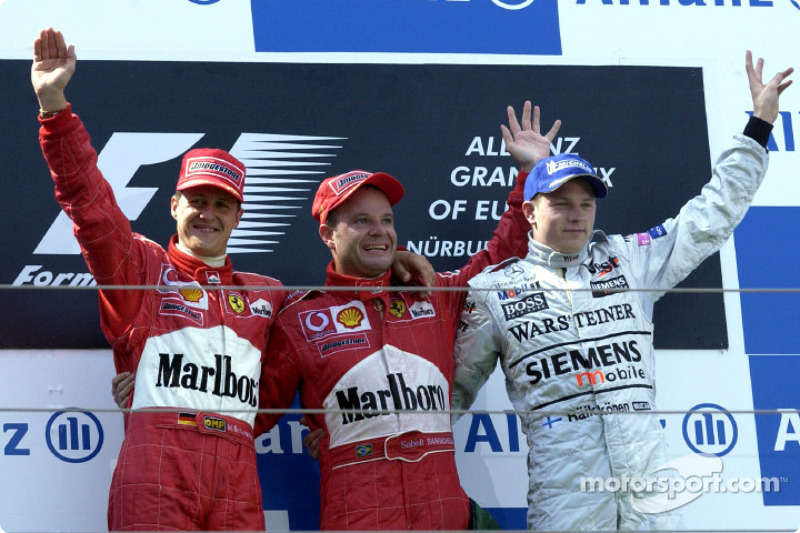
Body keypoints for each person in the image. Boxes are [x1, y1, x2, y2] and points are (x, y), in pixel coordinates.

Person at [33, 27, 432, 531]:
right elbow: (89, 206)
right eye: (196, 200)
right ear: (174, 204)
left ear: (238, 216)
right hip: (157, 464)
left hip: (238, 471)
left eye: (221, 204)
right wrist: (55, 111)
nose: (207, 214)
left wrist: (397, 261)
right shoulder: (140, 268)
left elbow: (318, 351)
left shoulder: (268, 294)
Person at [451, 51, 793, 531]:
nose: (576, 215)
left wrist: (759, 125)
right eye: (561, 204)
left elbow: (708, 217)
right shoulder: (494, 291)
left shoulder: (628, 260)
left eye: (586, 204)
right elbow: (446, 394)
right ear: (530, 212)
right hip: (565, 500)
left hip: (650, 495)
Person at [255, 104, 560, 530]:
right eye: (361, 221)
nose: (379, 230)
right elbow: (243, 415)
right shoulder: (299, 320)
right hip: (357, 519)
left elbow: (499, 260)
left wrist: (531, 174)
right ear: (328, 235)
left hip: (443, 515)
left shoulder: (431, 291)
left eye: (386, 220)